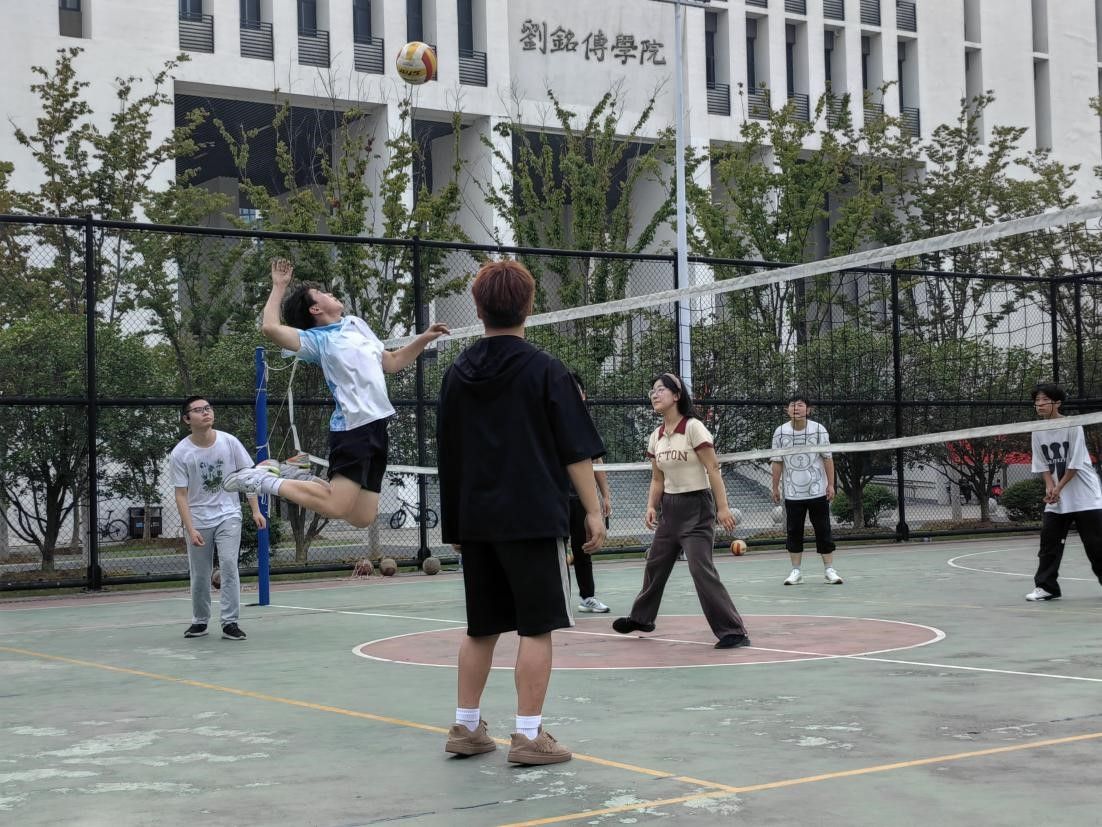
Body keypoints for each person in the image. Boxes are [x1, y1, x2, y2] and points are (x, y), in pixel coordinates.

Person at [437, 259, 606, 766]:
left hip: (477, 519)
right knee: (536, 627)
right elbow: (575, 451)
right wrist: (593, 511)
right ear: (530, 306)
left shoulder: (456, 373)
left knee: (481, 627)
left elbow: (449, 453)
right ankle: (529, 736)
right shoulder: (546, 369)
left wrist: (455, 524)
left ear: (477, 308)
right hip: (532, 518)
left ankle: (466, 727)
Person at [222, 258, 449, 526]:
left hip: (378, 426)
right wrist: (279, 286)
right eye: (322, 293)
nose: (330, 293)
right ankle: (263, 480)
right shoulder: (317, 341)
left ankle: (299, 476)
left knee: (362, 517)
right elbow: (270, 328)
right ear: (315, 308)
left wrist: (424, 338)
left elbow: (391, 362)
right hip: (353, 427)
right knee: (335, 505)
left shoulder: (356, 324)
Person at [613, 373, 750, 650]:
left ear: (676, 396)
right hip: (670, 510)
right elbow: (657, 478)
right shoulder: (656, 436)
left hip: (697, 507)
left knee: (700, 569)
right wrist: (651, 506)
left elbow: (713, 468)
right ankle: (642, 619)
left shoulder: (693, 428)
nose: (654, 395)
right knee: (655, 564)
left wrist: (723, 507)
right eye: (652, 391)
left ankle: (734, 631)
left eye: (660, 390)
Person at [170, 396, 265, 641]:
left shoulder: (229, 442)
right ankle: (200, 621)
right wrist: (190, 528)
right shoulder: (180, 453)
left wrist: (255, 510)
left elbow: (247, 477)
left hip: (228, 514)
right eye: (198, 410)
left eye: (208, 408)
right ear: (187, 419)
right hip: (198, 519)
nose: (206, 412)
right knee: (200, 573)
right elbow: (181, 495)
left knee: (229, 565)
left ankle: (230, 622)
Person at [1025, 383, 1102, 602]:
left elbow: (1075, 464)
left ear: (1057, 403)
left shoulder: (1073, 425)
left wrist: (1058, 487)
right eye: (1037, 401)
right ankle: (1046, 587)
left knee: (1096, 546)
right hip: (1058, 497)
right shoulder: (1037, 430)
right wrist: (1050, 487)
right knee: (1048, 543)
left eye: (1044, 400)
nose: (1039, 404)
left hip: (1086, 497)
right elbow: (1042, 464)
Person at [771, 394, 842, 586]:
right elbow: (777, 461)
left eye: (800, 405)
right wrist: (775, 486)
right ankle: (796, 571)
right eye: (792, 405)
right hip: (792, 494)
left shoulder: (818, 429)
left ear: (808, 410)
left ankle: (829, 570)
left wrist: (830, 484)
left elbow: (827, 458)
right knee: (794, 531)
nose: (796, 408)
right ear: (787, 410)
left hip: (818, 491)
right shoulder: (780, 432)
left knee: (823, 529)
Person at [567, 371, 613, 614]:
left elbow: (596, 461)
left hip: (580, 498)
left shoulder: (585, 425)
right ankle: (558, 599)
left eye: (576, 390)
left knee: (583, 547)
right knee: (554, 551)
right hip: (554, 497)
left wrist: (605, 496)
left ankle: (588, 597)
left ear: (583, 395)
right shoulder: (548, 420)